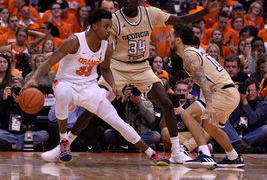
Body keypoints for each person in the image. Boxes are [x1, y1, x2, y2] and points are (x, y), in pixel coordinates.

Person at [23, 9, 170, 165]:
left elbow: (105, 69)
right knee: (64, 96)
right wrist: (33, 78)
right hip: (66, 82)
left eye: (110, 26)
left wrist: (113, 86)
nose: (109, 30)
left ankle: (152, 154)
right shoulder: (75, 41)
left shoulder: (107, 47)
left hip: (89, 87)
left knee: (117, 122)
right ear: (94, 26)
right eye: (106, 26)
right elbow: (49, 62)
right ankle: (64, 141)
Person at [168, 23, 243, 169]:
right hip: (229, 93)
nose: (167, 38)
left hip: (223, 92)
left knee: (187, 114)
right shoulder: (192, 52)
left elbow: (203, 81)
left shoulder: (188, 55)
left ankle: (205, 155)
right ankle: (233, 157)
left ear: (178, 40)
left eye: (170, 35)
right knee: (211, 128)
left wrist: (208, 105)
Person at [104, 84, 161, 150]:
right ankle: (140, 146)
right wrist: (123, 100)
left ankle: (127, 146)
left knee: (156, 136)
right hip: (124, 135)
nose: (134, 92)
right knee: (108, 134)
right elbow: (115, 116)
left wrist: (139, 103)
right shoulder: (123, 101)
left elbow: (151, 119)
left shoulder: (147, 102)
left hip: (141, 134)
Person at [0, 77, 49, 151]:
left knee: (44, 134)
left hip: (25, 134)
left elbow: (31, 120)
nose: (16, 91)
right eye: (14, 88)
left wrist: (22, 104)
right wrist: (3, 100)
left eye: (19, 89)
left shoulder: (29, 100)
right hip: (8, 133)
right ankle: (29, 145)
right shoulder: (4, 99)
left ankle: (12, 146)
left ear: (24, 89)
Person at [225, 78, 267, 152]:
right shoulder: (237, 101)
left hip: (251, 134)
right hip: (235, 132)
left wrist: (244, 101)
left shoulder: (263, 104)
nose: (250, 93)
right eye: (248, 90)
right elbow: (230, 119)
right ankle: (239, 144)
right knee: (222, 120)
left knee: (266, 129)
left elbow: (253, 120)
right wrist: (233, 94)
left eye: (253, 90)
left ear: (258, 91)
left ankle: (236, 144)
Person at [160, 80, 197, 153]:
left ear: (188, 92)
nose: (181, 93)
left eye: (184, 90)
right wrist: (167, 112)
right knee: (164, 132)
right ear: (175, 91)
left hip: (188, 134)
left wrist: (184, 112)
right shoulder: (168, 103)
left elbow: (196, 127)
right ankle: (188, 147)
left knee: (201, 133)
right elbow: (162, 127)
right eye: (179, 90)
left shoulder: (193, 105)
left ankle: (180, 147)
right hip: (172, 135)